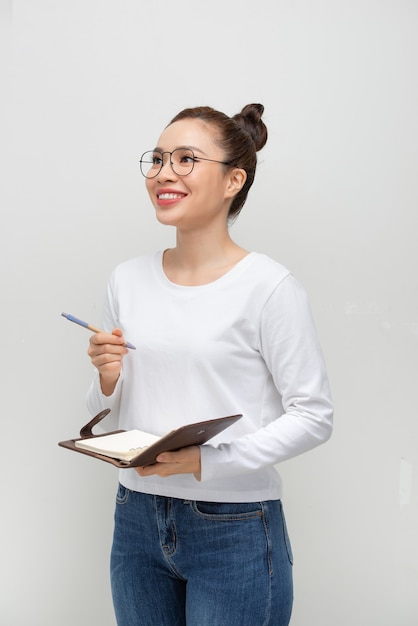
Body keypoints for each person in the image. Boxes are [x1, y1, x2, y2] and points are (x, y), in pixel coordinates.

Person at [86, 103, 333, 626]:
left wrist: (206, 462)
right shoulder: (125, 280)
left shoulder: (269, 287)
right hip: (136, 517)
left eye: (185, 159)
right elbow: (108, 413)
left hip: (235, 525)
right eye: (156, 159)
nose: (163, 173)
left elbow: (314, 415)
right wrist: (107, 379)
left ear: (233, 180)